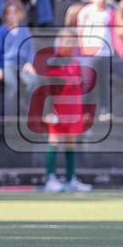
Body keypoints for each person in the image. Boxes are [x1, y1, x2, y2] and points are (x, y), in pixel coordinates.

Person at [38, 27, 93, 193]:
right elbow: (47, 89)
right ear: (60, 42)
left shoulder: (76, 64)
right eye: (66, 41)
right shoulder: (53, 63)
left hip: (73, 109)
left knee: (71, 141)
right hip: (57, 109)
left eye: (72, 42)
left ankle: (71, 179)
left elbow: (79, 89)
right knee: (54, 140)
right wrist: (47, 112)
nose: (69, 45)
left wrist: (84, 111)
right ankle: (50, 179)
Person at [76, 0, 116, 120]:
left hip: (106, 53)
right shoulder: (86, 12)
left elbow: (114, 32)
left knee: (104, 82)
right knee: (88, 81)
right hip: (90, 53)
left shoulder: (111, 12)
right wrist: (83, 48)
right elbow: (80, 30)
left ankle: (105, 110)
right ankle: (83, 111)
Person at [0, 0, 37, 116]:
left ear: (20, 14)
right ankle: (8, 113)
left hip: (23, 64)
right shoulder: (0, 32)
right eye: (8, 13)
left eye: (15, 13)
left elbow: (30, 50)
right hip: (8, 64)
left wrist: (30, 63)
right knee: (12, 85)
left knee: (33, 81)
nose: (11, 16)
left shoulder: (25, 31)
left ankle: (27, 106)